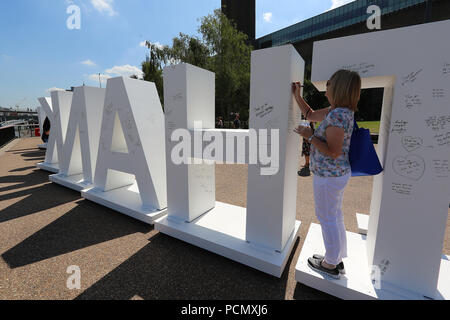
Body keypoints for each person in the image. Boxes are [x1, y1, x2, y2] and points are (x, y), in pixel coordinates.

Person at [292, 69, 361, 279]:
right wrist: (297, 96)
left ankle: (330, 263)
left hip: (329, 177)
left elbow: (333, 151)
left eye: (329, 83)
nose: (326, 87)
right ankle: (337, 257)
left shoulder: (338, 115)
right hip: (334, 175)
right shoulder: (338, 111)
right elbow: (311, 114)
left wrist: (309, 136)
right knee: (335, 215)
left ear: (338, 87)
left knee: (327, 217)